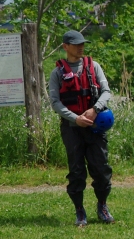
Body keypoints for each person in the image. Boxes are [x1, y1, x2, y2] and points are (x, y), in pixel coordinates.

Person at [48, 30, 114, 226]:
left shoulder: (94, 67)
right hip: (71, 128)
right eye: (76, 44)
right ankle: (79, 210)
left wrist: (94, 110)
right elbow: (55, 102)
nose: (81, 47)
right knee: (76, 172)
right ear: (65, 47)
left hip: (95, 127)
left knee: (101, 169)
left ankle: (102, 205)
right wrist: (75, 118)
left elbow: (106, 92)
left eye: (82, 43)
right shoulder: (57, 73)